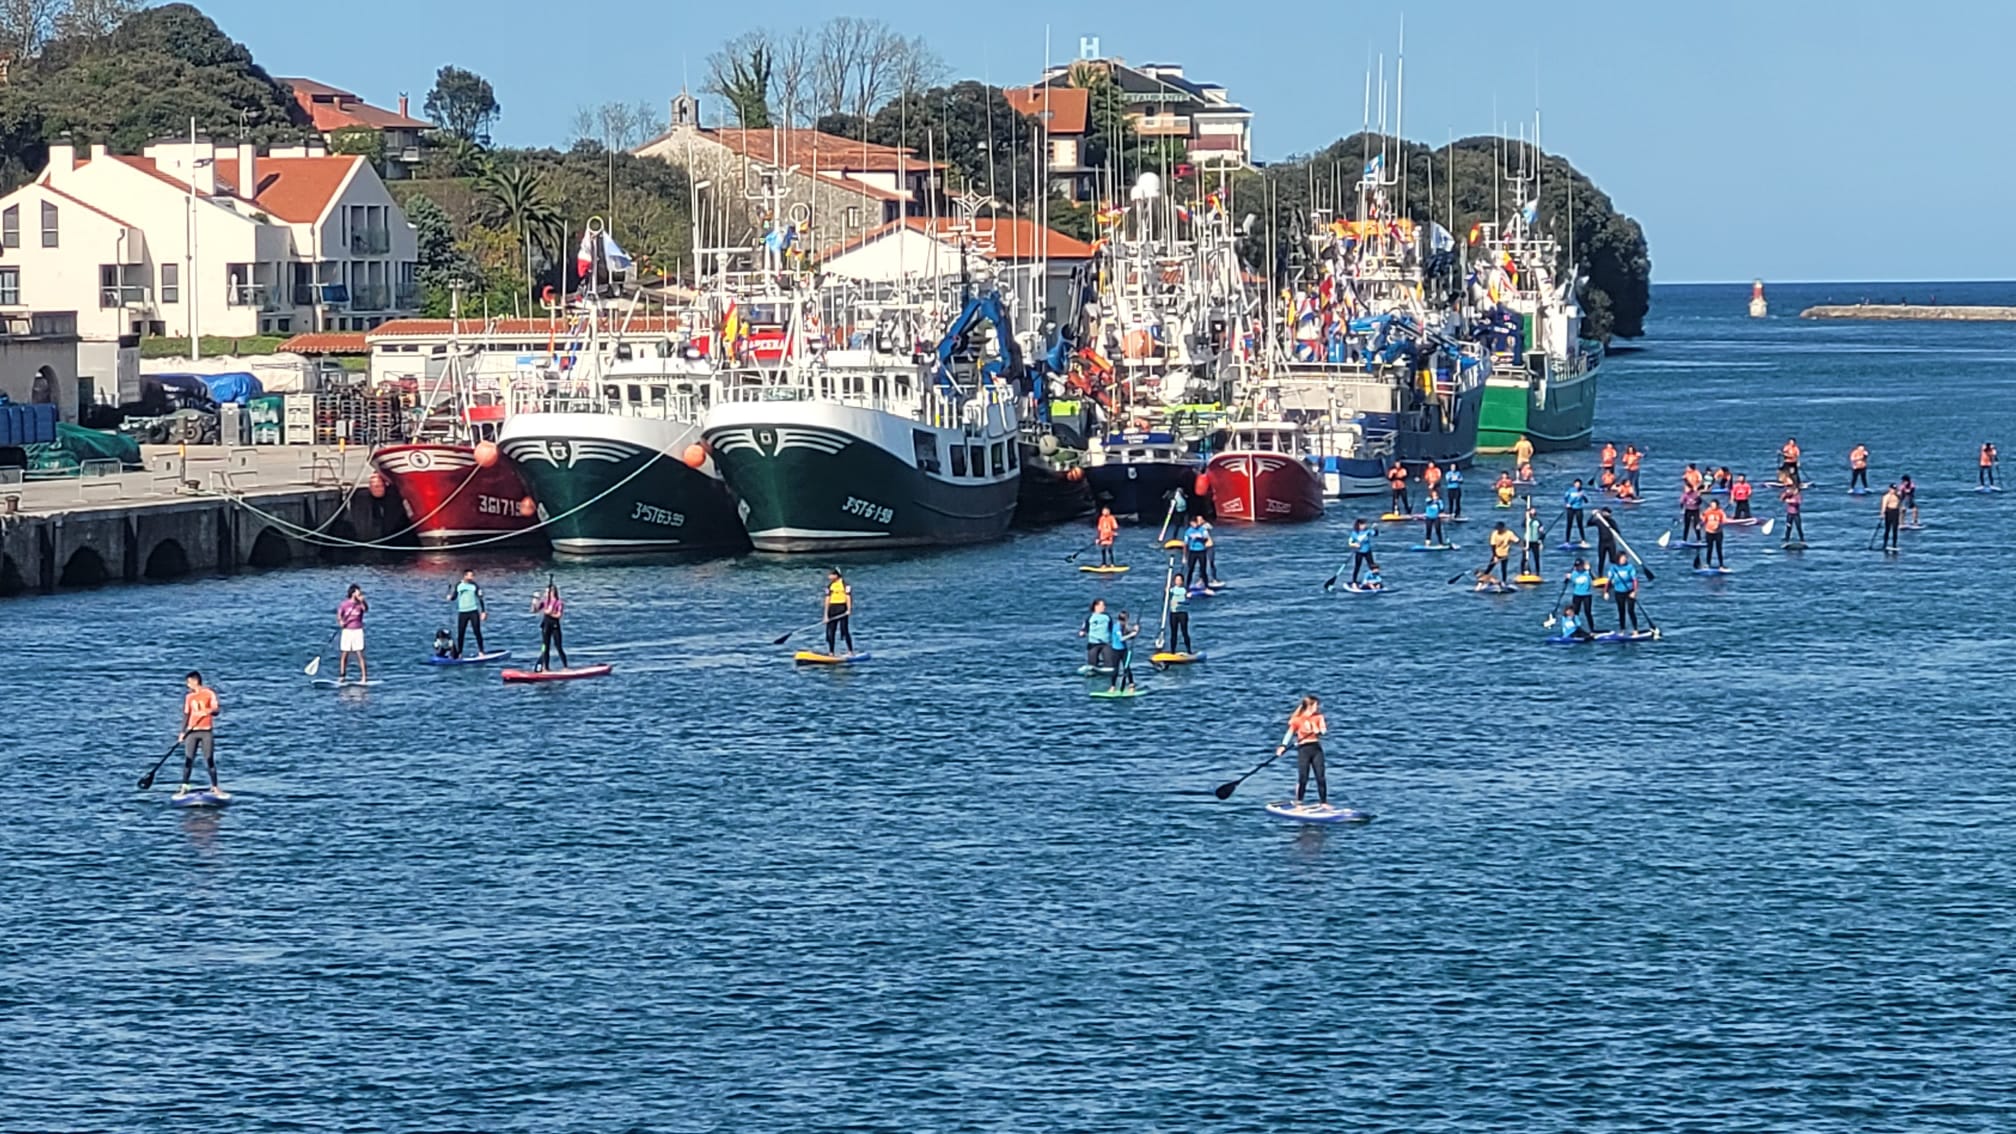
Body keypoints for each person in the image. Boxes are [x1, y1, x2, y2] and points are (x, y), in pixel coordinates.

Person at [1275, 695, 1330, 806]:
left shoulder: (1319, 717)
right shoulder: (1297, 719)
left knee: (1320, 777)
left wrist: (1318, 730)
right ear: (1309, 706)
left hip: (1316, 748)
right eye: (1315, 705)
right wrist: (1283, 746)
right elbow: (1289, 733)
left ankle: (1324, 803)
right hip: (1304, 749)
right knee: (1303, 777)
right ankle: (1299, 801)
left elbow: (1324, 730)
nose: (1317, 707)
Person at [177, 670, 220, 794]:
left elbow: (217, 710)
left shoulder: (209, 693)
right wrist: (182, 732)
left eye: (189, 682)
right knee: (188, 759)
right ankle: (185, 786)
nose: (187, 685)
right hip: (192, 732)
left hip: (206, 731)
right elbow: (186, 715)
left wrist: (210, 711)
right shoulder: (189, 697)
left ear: (195, 681)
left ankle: (215, 787)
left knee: (209, 759)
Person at [447, 569, 488, 658]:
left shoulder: (475, 586)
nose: (472, 577)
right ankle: (460, 653)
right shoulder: (459, 585)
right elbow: (454, 597)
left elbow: (480, 598)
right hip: (462, 612)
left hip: (473, 611)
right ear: (465, 576)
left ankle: (481, 651)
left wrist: (483, 612)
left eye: (472, 576)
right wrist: (450, 598)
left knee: (477, 632)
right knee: (461, 633)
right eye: (470, 575)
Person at [531, 581, 568, 672]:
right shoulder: (544, 602)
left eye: (546, 592)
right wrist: (534, 602)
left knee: (558, 646)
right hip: (546, 626)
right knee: (545, 646)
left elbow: (559, 615)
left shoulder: (558, 602)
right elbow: (534, 611)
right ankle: (546, 667)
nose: (544, 594)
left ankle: (565, 667)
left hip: (555, 626)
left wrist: (550, 612)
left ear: (552, 592)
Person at [336, 584, 368, 684]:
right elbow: (339, 615)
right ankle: (342, 676)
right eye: (358, 591)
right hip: (347, 631)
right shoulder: (344, 604)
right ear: (353, 593)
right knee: (345, 653)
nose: (360, 593)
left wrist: (363, 601)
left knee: (359, 653)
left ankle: (364, 677)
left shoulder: (360, 604)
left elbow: (365, 609)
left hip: (357, 630)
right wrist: (341, 621)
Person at [823, 568, 856, 656]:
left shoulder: (845, 585)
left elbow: (848, 597)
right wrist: (825, 615)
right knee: (831, 631)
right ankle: (831, 652)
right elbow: (827, 599)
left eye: (831, 575)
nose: (829, 577)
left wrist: (849, 609)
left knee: (844, 630)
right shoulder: (829, 586)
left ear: (836, 575)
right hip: (832, 608)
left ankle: (850, 651)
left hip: (842, 608)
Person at [1609, 552, 1641, 633]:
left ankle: (1635, 629)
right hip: (1618, 592)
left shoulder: (1630, 567)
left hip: (1629, 592)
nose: (1624, 559)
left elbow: (1635, 580)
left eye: (1625, 558)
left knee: (1631, 610)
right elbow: (1609, 580)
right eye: (1622, 558)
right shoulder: (1613, 568)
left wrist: (1634, 591)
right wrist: (1605, 592)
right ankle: (1622, 629)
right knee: (1621, 611)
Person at [1107, 612, 1139, 693]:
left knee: (1127, 668)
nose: (1127, 621)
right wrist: (1132, 634)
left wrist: (1135, 630)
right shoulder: (1116, 627)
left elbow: (1130, 636)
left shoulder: (1124, 627)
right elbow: (1121, 639)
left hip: (1124, 650)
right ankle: (1113, 686)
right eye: (1127, 619)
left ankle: (1131, 685)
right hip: (1115, 651)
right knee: (1115, 669)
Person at [1164, 572, 1194, 655]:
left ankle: (1189, 650)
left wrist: (1188, 597)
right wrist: (1166, 591)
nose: (1178, 581)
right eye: (1176, 580)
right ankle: (1172, 651)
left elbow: (1188, 602)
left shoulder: (1185, 590)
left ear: (1182, 581)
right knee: (1173, 633)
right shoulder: (1172, 590)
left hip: (1182, 614)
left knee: (1184, 632)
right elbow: (1166, 597)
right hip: (1173, 613)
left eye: (1179, 580)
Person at [1181, 515, 1214, 588]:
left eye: (1195, 523)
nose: (1194, 525)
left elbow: (1206, 538)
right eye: (1193, 523)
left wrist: (1199, 538)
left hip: (1201, 551)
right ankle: (1187, 586)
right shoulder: (1188, 531)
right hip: (1192, 552)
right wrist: (1184, 557)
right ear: (1190, 523)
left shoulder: (1202, 530)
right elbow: (1185, 544)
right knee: (1190, 569)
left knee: (1203, 570)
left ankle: (1206, 586)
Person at [1079, 599, 1112, 671]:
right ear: (1096, 606)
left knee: (1109, 664)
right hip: (1093, 643)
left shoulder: (1108, 617)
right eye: (1102, 605)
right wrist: (1082, 633)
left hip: (1105, 643)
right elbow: (1084, 629)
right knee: (1092, 664)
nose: (1104, 607)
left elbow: (1111, 629)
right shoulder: (1090, 618)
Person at [1346, 518, 1376, 584]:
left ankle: (1375, 580)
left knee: (1372, 566)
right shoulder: (1354, 533)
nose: (1364, 526)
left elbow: (1375, 534)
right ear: (1359, 525)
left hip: (1368, 551)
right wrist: (1355, 544)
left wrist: (1375, 528)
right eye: (1363, 525)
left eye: (1365, 524)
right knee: (1357, 567)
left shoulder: (1368, 531)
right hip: (1359, 552)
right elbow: (1350, 543)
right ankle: (1354, 581)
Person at [1566, 558, 1595, 626]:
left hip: (1586, 595)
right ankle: (1575, 627)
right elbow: (1566, 582)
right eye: (1577, 566)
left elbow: (1594, 579)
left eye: (1580, 566)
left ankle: (1592, 629)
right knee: (1575, 613)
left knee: (1588, 612)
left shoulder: (1587, 572)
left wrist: (1589, 570)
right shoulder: (1573, 573)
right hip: (1577, 595)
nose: (1578, 567)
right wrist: (1567, 578)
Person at [1701, 498, 1727, 567]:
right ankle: (1708, 563)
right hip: (1709, 532)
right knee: (1709, 548)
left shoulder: (1720, 512)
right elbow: (1704, 520)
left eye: (1714, 505)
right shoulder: (1707, 511)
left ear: (1717, 505)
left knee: (1719, 549)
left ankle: (1721, 564)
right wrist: (1700, 525)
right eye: (1711, 505)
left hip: (1718, 533)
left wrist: (1719, 525)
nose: (1712, 506)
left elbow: (1724, 521)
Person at [1562, 479, 1590, 544]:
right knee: (1569, 524)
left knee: (1580, 524)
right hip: (1570, 509)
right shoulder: (1570, 490)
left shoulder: (1582, 491)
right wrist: (1567, 504)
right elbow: (1565, 498)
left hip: (1578, 509)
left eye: (1579, 484)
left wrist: (1582, 496)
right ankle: (1567, 541)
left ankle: (1583, 540)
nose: (1577, 485)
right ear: (1574, 484)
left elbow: (1586, 501)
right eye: (1576, 484)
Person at [1520, 503, 1545, 576]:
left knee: (1536, 558)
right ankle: (1523, 572)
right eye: (1532, 513)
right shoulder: (1526, 521)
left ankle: (1538, 573)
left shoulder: (1538, 522)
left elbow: (1542, 533)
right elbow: (1523, 525)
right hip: (1527, 541)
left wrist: (1541, 542)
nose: (1533, 515)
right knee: (1524, 557)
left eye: (1534, 513)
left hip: (1535, 541)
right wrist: (1527, 516)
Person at [1593, 506, 1619, 573]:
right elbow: (1589, 523)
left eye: (1608, 513)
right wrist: (1593, 515)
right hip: (1602, 543)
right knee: (1601, 559)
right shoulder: (1599, 521)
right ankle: (1600, 575)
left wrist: (1616, 533)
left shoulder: (1611, 521)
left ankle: (1615, 573)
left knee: (1613, 560)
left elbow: (1617, 531)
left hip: (1611, 543)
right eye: (1605, 512)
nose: (1607, 514)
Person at [1880, 484, 1902, 552]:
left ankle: (1894, 545)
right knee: (1887, 529)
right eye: (1893, 489)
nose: (1894, 491)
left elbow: (1900, 503)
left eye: (1895, 489)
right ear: (1890, 489)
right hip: (1889, 512)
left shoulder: (1898, 496)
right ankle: (1885, 544)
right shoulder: (1886, 496)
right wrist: (1882, 513)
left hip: (1896, 512)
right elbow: (1884, 505)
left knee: (1895, 529)